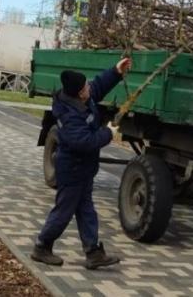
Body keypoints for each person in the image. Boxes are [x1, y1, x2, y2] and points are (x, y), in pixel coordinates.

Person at [31, 58, 132, 270]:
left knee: (86, 211)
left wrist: (116, 71)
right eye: (86, 86)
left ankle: (93, 252)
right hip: (72, 170)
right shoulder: (69, 116)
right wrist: (108, 132)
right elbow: (84, 142)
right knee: (63, 212)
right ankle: (42, 246)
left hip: (83, 170)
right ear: (79, 93)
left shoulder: (82, 98)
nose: (89, 87)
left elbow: (98, 86)